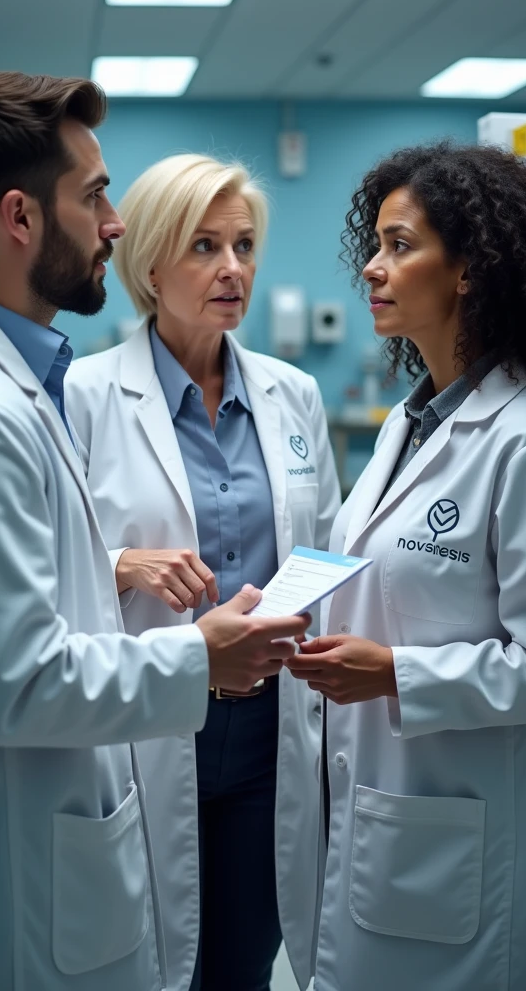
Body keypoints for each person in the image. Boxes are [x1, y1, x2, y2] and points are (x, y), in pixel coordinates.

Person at [0, 74, 310, 991]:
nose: (113, 222)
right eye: (93, 196)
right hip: (22, 896)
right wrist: (203, 658)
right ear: (21, 219)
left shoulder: (6, 388)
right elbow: (24, 681)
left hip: (95, 831)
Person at [286, 140, 526, 991]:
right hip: (380, 813)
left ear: (470, 272)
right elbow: (377, 571)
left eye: (400, 246)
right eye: (374, 244)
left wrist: (396, 675)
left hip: (465, 851)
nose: (372, 269)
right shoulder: (405, 426)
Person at [65, 153, 341, 991]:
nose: (233, 269)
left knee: (241, 965)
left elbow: (324, 546)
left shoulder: (293, 396)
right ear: (149, 263)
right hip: (146, 729)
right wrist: (120, 564)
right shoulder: (82, 395)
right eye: (204, 246)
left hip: (270, 743)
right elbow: (47, 568)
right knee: (142, 965)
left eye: (245, 245)